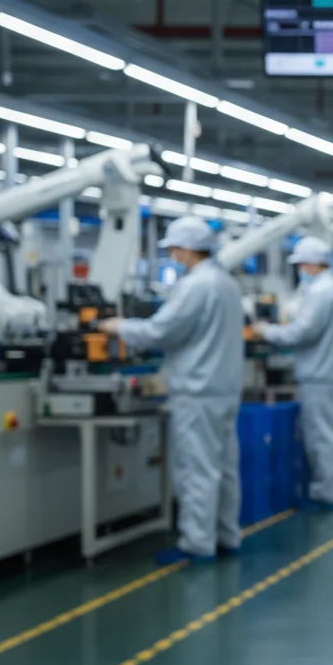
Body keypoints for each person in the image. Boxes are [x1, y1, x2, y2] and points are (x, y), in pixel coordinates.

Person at [101, 216, 245, 565]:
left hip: (198, 392)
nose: (174, 257)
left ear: (186, 250)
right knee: (223, 468)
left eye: (175, 250)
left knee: (197, 470)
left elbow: (161, 331)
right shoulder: (226, 282)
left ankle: (198, 544)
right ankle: (226, 535)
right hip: (224, 389)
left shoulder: (196, 285)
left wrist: (120, 327)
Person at [252, 237, 333, 510]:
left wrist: (266, 332)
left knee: (322, 436)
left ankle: (325, 492)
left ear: (308, 264)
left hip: (320, 374)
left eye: (300, 265)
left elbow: (302, 331)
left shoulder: (320, 291)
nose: (299, 270)